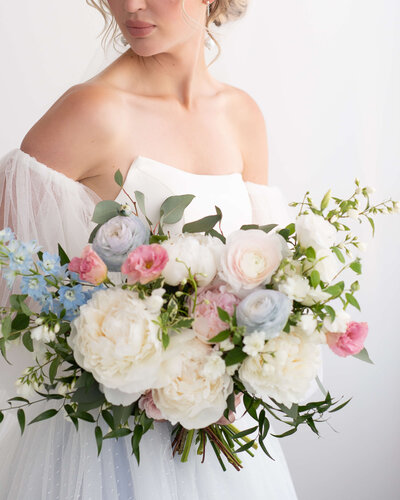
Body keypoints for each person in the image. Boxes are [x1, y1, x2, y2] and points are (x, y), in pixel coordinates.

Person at [0, 1, 299, 498]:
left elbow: (262, 272)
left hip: (222, 439)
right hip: (105, 448)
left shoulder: (242, 115)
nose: (130, 6)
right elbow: (12, 271)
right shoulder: (92, 109)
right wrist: (127, 354)